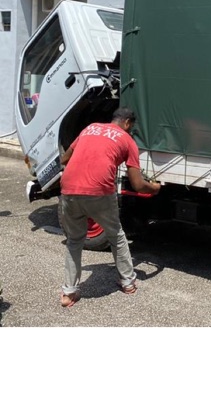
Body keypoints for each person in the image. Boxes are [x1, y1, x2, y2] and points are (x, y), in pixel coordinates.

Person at [58, 107, 160, 308]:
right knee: (116, 235)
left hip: (68, 188)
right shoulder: (127, 140)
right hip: (99, 191)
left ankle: (69, 293)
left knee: (74, 240)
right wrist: (155, 188)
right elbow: (138, 184)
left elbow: (64, 159)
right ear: (128, 123)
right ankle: (128, 283)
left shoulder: (90, 128)